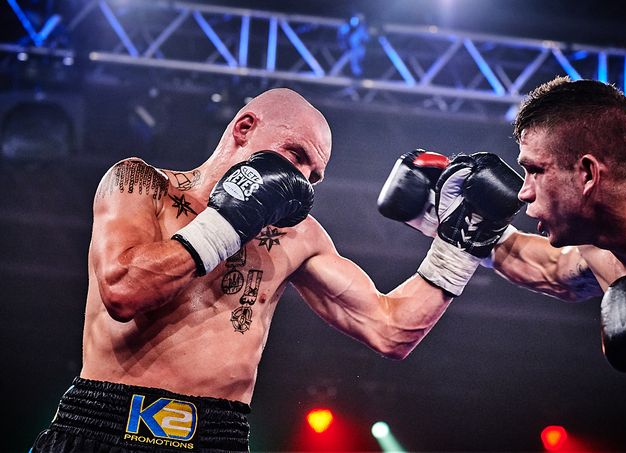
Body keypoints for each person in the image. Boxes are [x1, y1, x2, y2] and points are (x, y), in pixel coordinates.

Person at [30, 87, 523, 452]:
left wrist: (459, 245)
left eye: (314, 176)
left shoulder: (298, 237)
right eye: (295, 156)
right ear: (244, 128)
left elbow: (391, 330)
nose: (301, 180)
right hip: (102, 426)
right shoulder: (141, 184)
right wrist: (229, 222)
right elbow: (123, 290)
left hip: (219, 438)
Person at [380, 76, 626, 419]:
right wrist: (464, 223)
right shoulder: (602, 249)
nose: (524, 193)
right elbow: (551, 270)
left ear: (587, 173)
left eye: (535, 170)